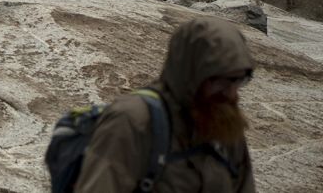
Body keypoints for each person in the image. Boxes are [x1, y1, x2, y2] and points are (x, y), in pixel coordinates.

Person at [75, 17, 257, 192]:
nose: (232, 93)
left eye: (239, 81)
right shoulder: (131, 121)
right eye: (221, 81)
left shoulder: (225, 124)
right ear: (191, 74)